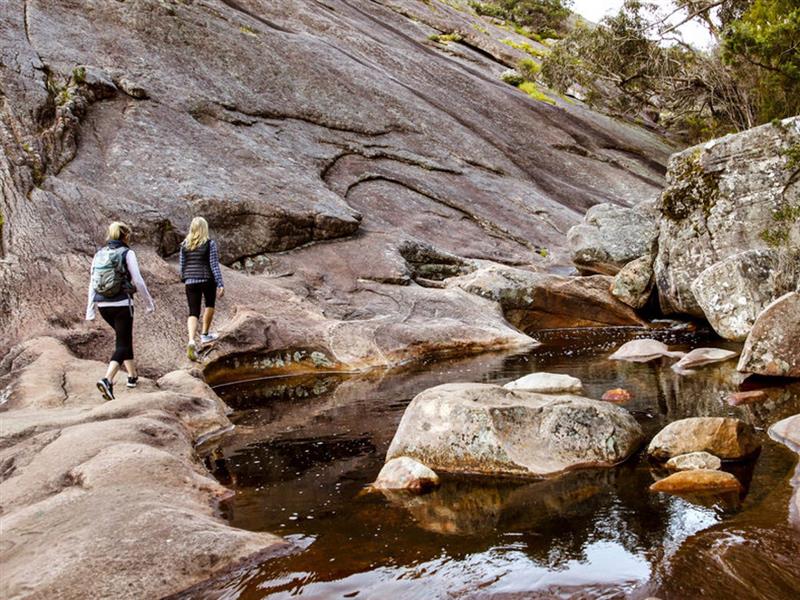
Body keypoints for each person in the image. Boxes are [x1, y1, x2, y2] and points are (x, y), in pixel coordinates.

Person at [86, 221, 155, 400]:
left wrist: (90, 310)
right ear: (126, 236)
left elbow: (92, 282)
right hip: (122, 304)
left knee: (124, 338)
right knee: (122, 344)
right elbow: (138, 280)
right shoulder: (127, 253)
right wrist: (149, 303)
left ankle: (132, 376)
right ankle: (107, 379)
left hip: (103, 306)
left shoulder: (100, 254)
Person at [179, 216, 225, 361]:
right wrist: (220, 283)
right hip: (206, 279)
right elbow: (214, 264)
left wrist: (185, 277)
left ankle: (191, 340)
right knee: (209, 304)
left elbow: (182, 264)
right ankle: (204, 335)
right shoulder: (209, 243)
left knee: (193, 311)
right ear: (204, 228)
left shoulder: (184, 245)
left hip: (190, 281)